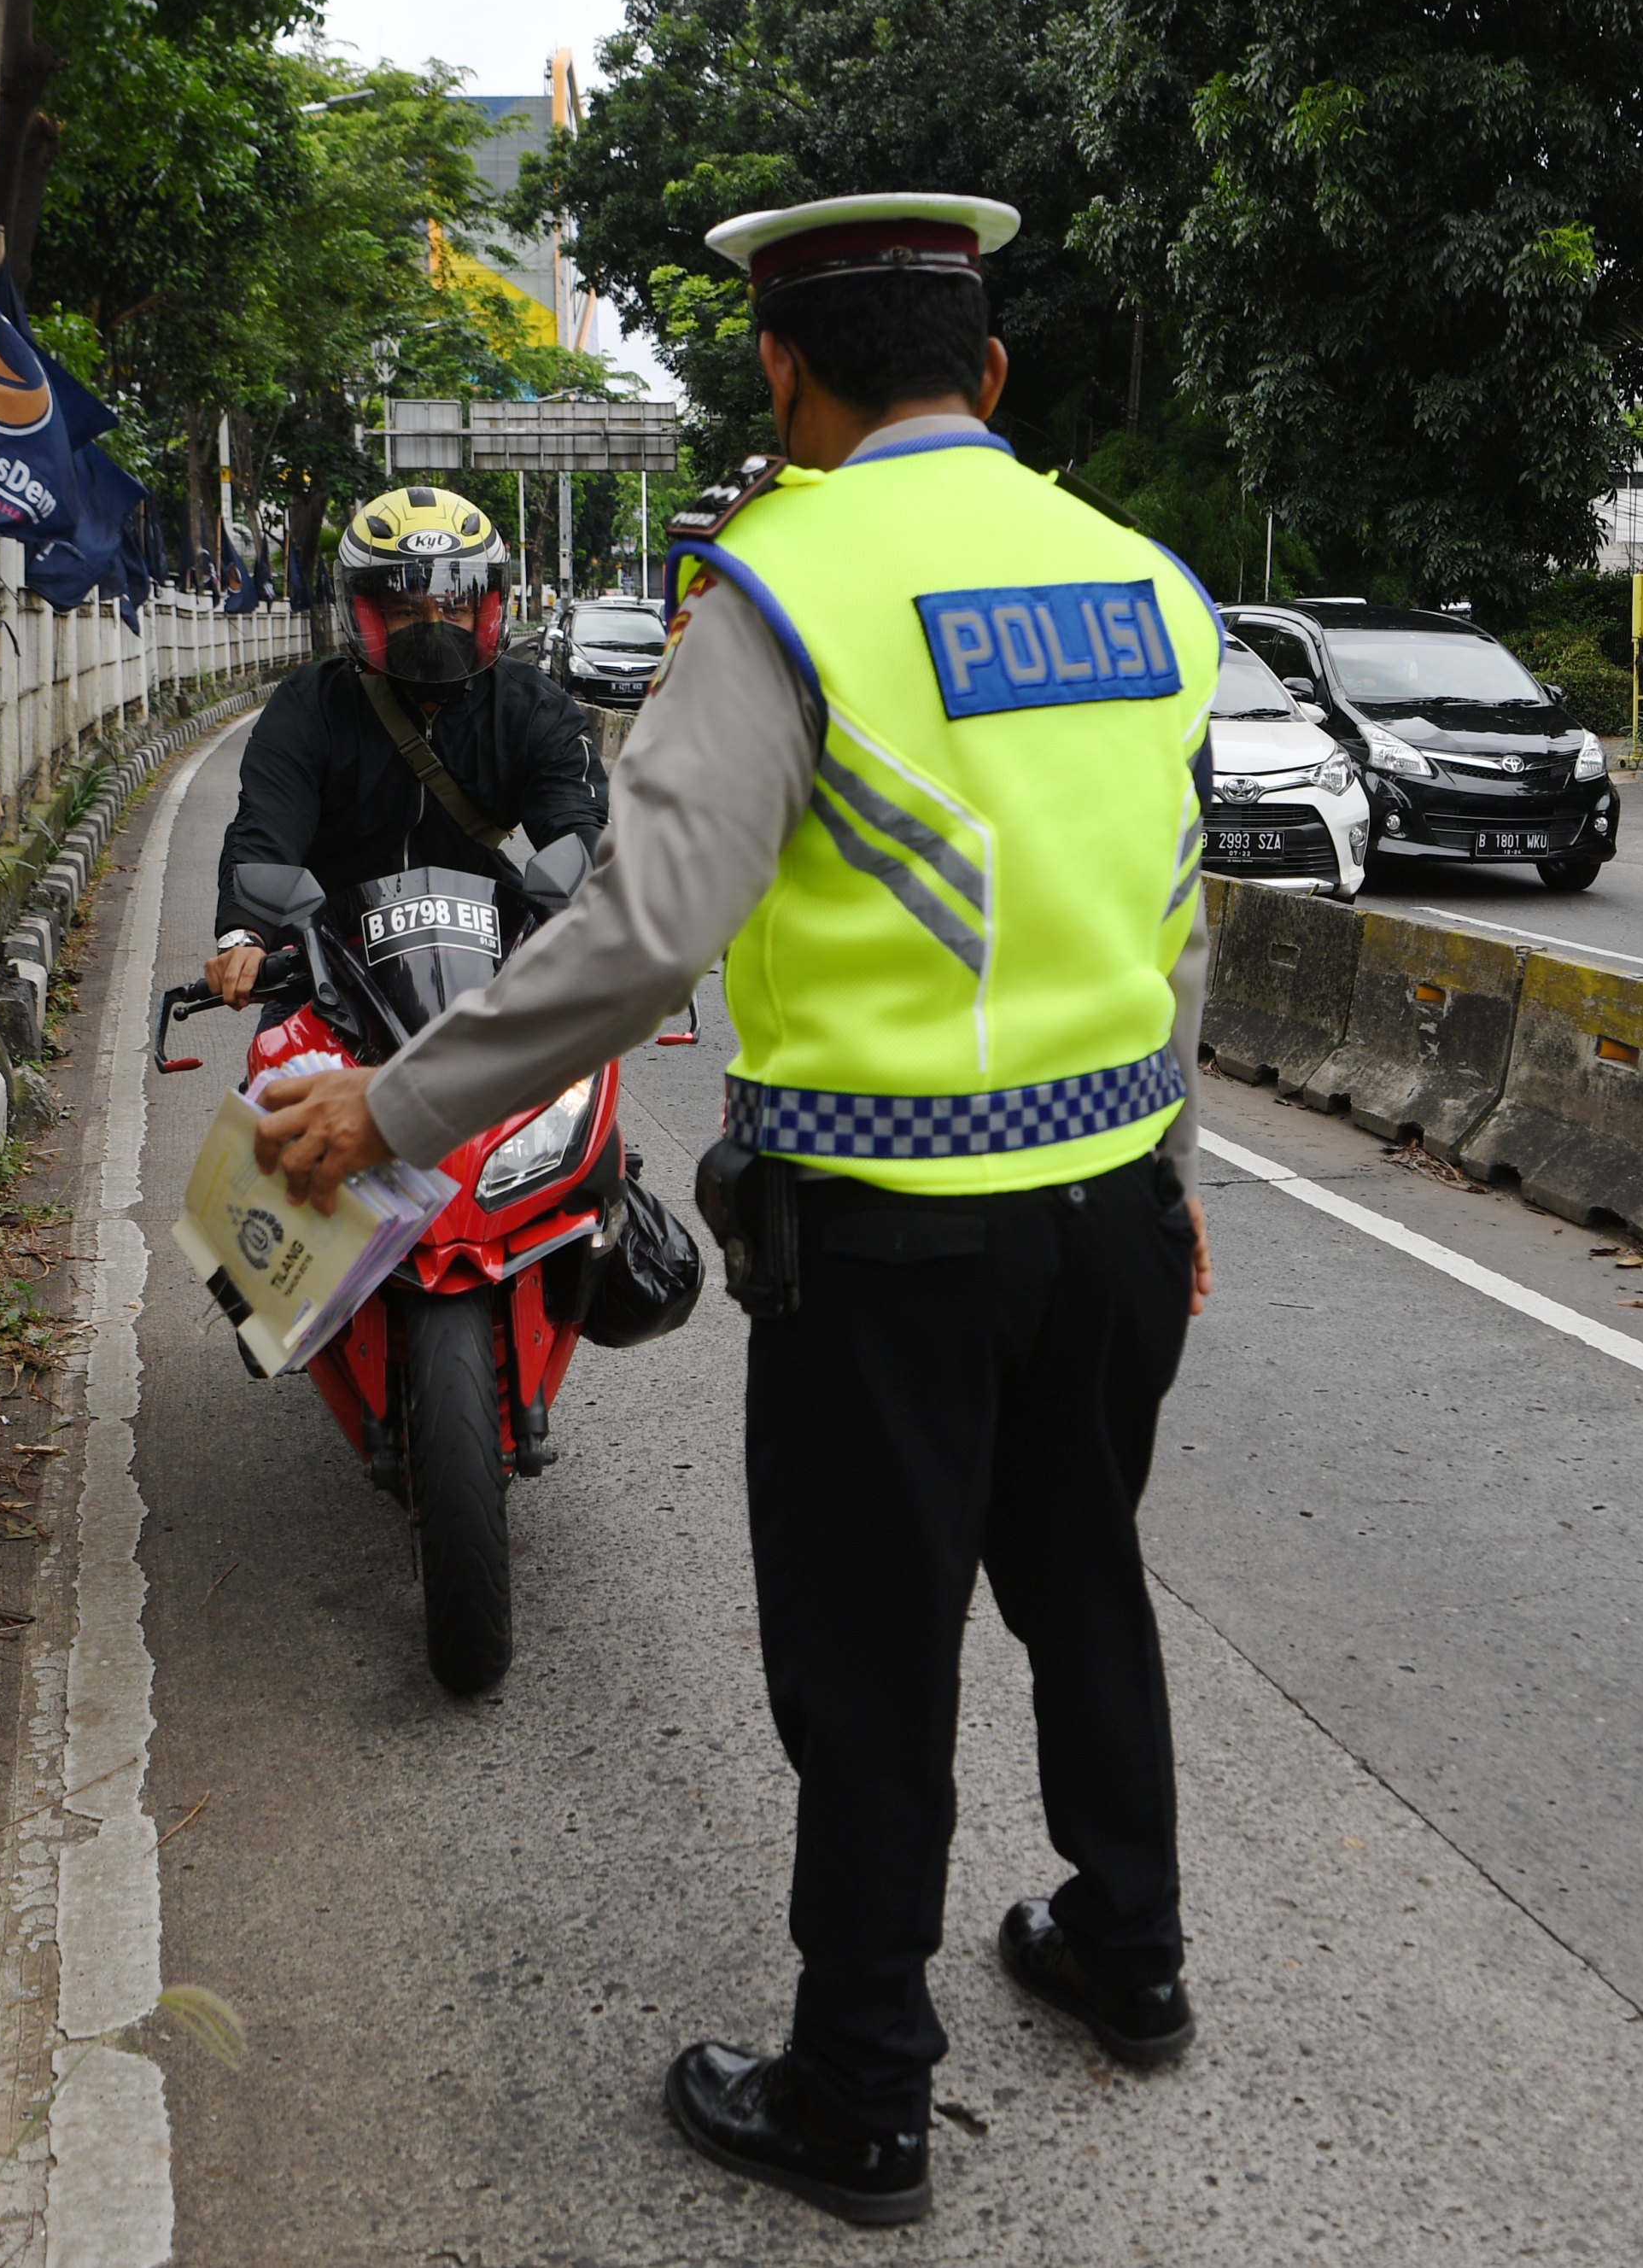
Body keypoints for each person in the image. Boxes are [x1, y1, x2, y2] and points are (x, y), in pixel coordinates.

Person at [243, 191, 1221, 2228]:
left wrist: (386, 1110)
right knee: (1082, 1576)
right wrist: (1177, 1171)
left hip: (896, 1233)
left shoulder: (780, 592)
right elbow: (1176, 914)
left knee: (870, 1665)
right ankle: (1127, 1950)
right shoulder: (1142, 585)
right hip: (1113, 1210)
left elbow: (637, 939)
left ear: (781, 370)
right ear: (990, 371)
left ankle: (859, 2093)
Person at [199, 488, 607, 1002]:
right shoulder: (311, 705)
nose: (434, 626)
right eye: (406, 609)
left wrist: (601, 913)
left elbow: (576, 825)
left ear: (485, 613)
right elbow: (267, 825)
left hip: (487, 964)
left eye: (455, 606)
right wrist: (245, 936)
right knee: (277, 1054)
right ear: (368, 616)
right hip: (329, 968)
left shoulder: (533, 709)